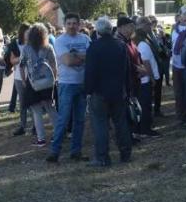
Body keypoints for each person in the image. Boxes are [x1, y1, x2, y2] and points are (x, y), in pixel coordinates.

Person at [84, 17, 132, 166]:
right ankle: (125, 154)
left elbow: (90, 71)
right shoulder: (121, 45)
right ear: (112, 30)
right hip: (118, 90)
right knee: (121, 123)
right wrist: (128, 90)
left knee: (100, 125)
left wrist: (88, 90)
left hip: (99, 92)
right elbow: (127, 70)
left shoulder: (94, 47)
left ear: (97, 31)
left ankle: (102, 157)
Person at [46, 13, 91, 162]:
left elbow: (92, 57)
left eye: (74, 23)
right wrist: (83, 56)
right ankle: (54, 152)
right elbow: (68, 61)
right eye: (69, 23)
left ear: (79, 25)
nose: (72, 26)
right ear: (65, 25)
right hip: (66, 84)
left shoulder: (85, 39)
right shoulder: (60, 41)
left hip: (83, 84)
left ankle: (76, 152)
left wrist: (76, 56)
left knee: (80, 119)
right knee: (63, 118)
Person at [19, 23, 58, 147]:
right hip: (47, 82)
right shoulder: (49, 47)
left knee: (36, 111)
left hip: (33, 83)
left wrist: (24, 80)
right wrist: (54, 79)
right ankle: (58, 134)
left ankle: (41, 139)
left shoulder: (26, 48)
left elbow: (21, 65)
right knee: (51, 108)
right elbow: (54, 66)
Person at [132, 27, 161, 138]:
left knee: (144, 104)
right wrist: (152, 78)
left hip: (144, 79)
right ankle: (145, 129)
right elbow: (146, 63)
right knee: (145, 105)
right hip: (145, 80)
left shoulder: (140, 45)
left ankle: (141, 128)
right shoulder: (143, 46)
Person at [8, 23, 31, 136]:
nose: (29, 33)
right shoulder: (15, 44)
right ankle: (23, 126)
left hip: (33, 76)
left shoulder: (34, 43)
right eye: (27, 31)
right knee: (22, 103)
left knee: (33, 102)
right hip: (19, 77)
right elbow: (12, 61)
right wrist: (22, 57)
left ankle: (36, 126)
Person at [171, 8, 186, 124]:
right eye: (181, 15)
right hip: (176, 65)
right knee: (178, 92)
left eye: (185, 16)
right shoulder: (174, 29)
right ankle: (180, 115)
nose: (183, 18)